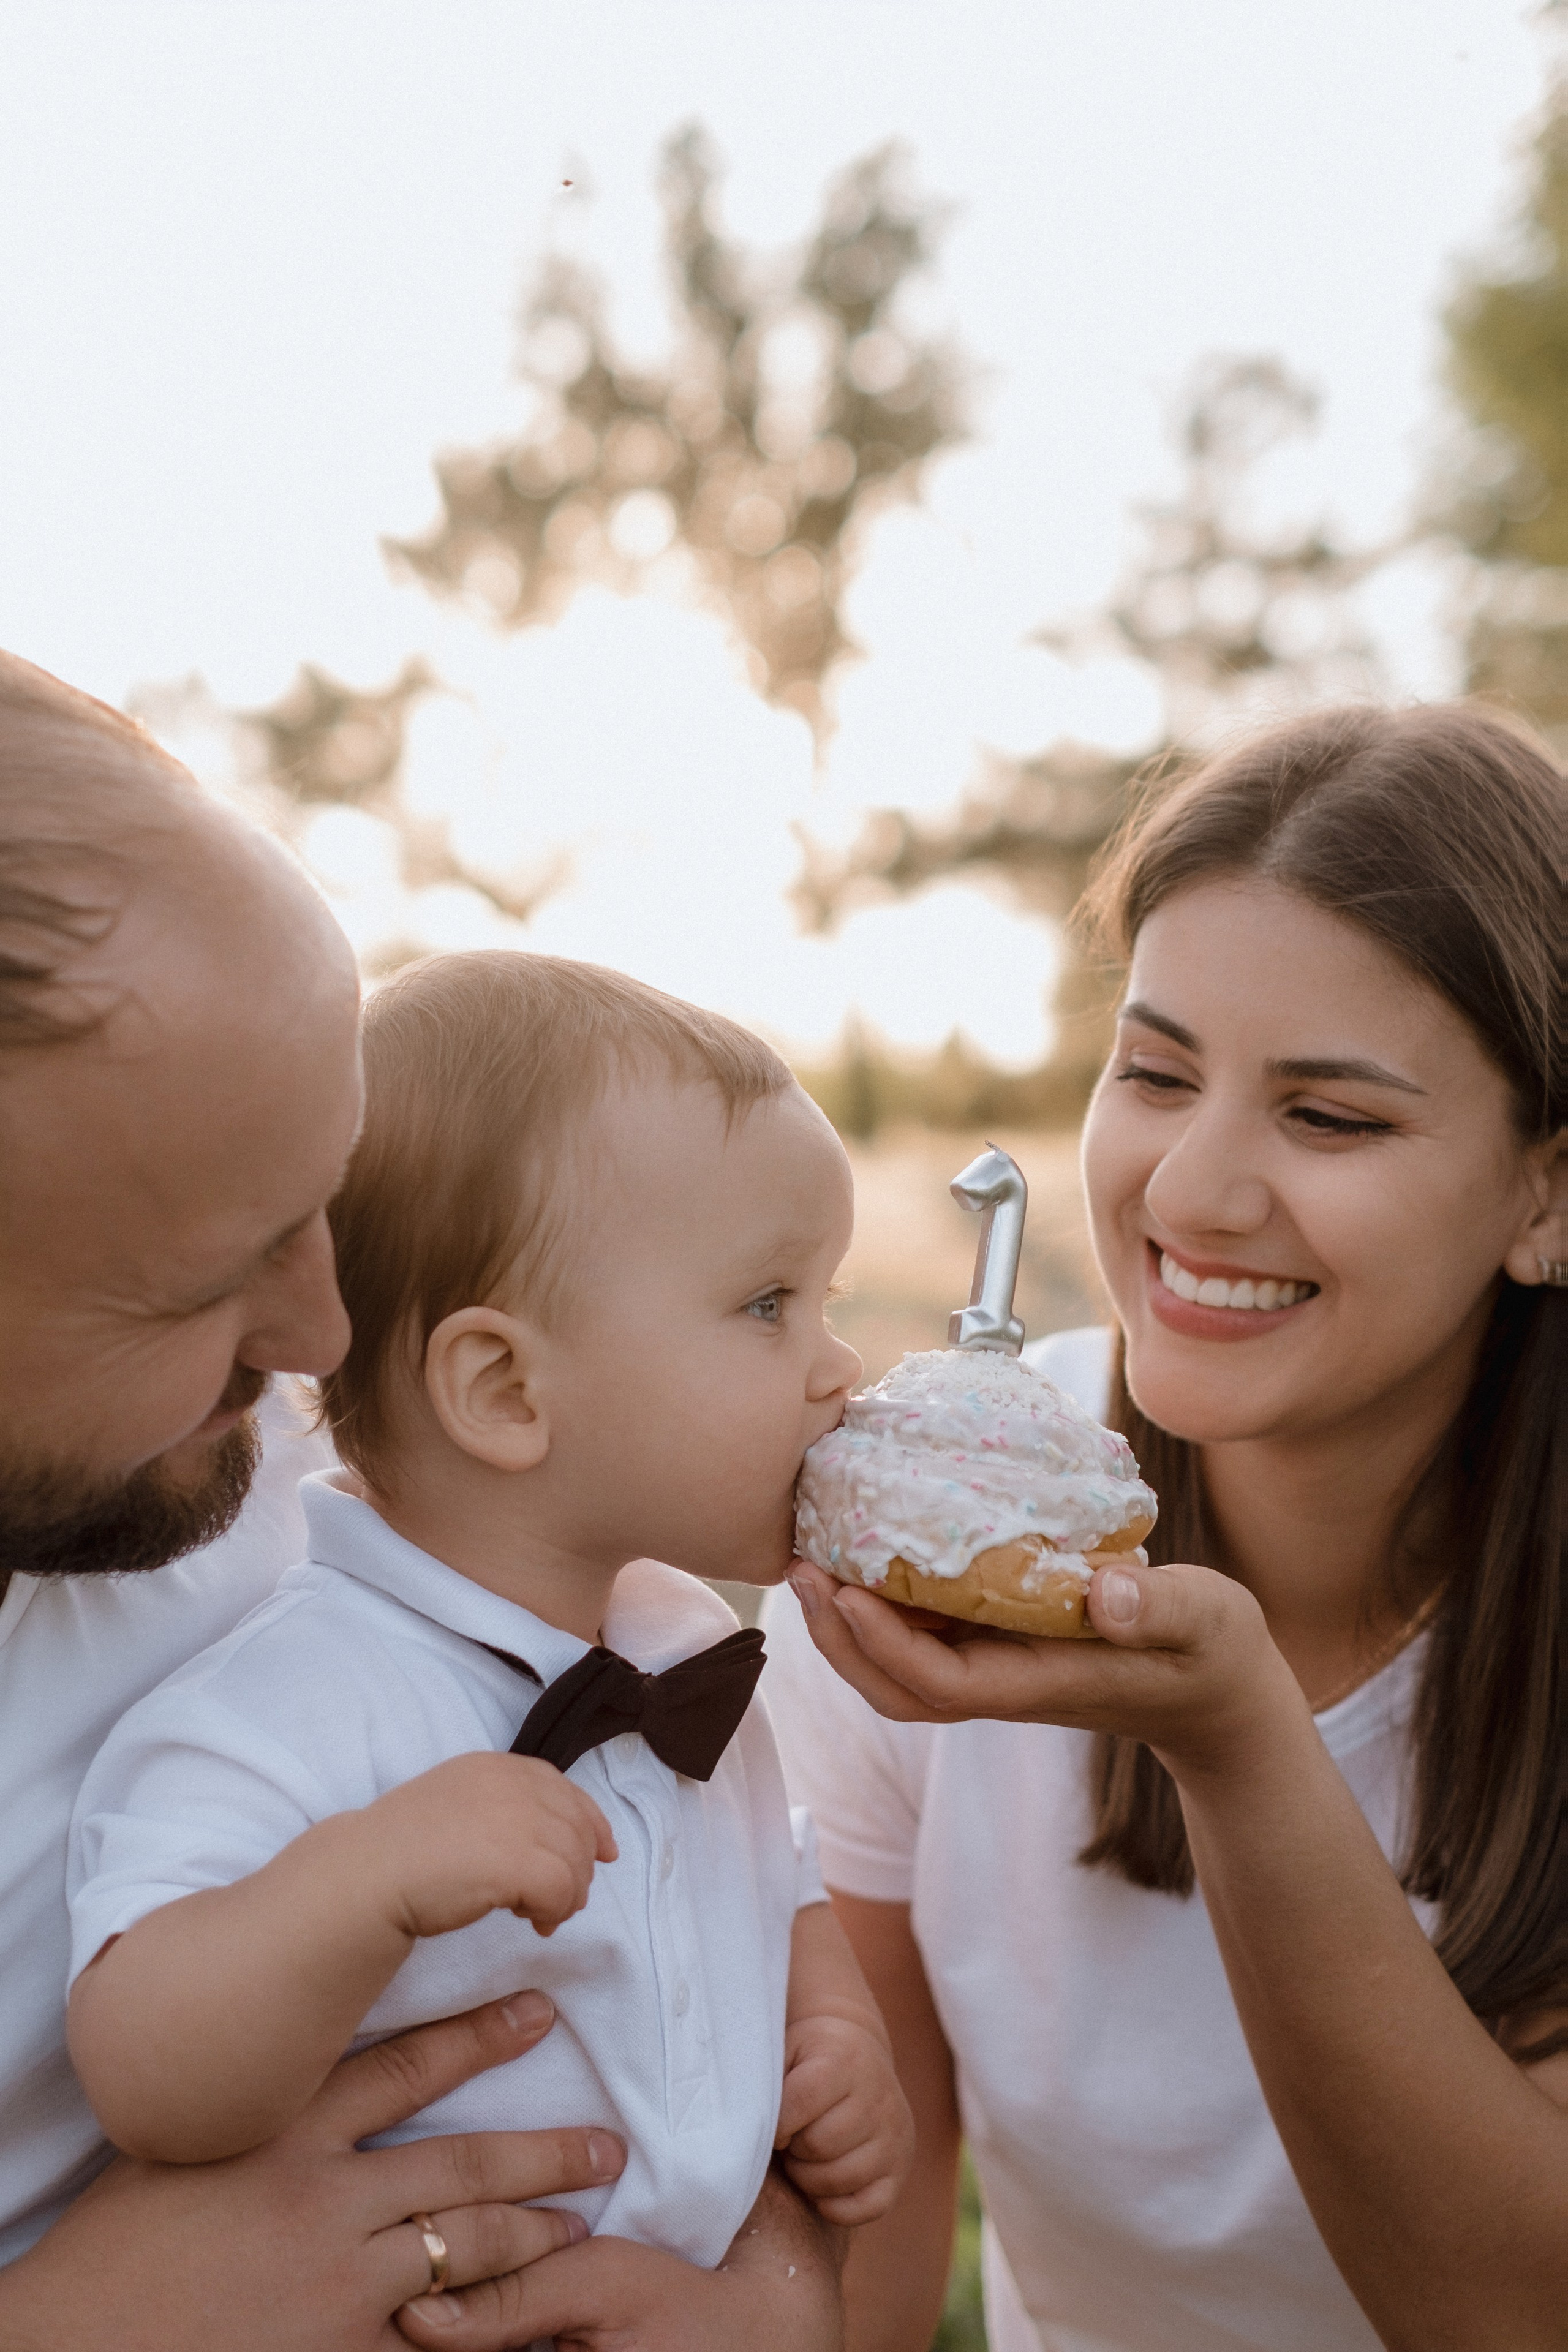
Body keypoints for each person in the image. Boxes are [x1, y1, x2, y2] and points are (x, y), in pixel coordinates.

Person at [0, 652, 843, 2351]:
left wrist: (772, 2282)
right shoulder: (272, 1679)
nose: (324, 1342)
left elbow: (717, 1944)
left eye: (324, 1203)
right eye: (209, 1278)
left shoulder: (272, 1493)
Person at [765, 703, 1567, 2352]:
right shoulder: (928, 1516)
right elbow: (870, 2200)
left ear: (1545, 1194)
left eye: (1329, 1116)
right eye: (1156, 1072)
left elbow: (1513, 2310)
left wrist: (1237, 1742)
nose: (1191, 1193)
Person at [63, 952, 912, 2268]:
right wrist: (360, 1885)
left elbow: (774, 1871)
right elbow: (144, 2071)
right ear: (507, 1392)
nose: (838, 1364)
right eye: (766, 1304)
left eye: (826, 1301)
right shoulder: (285, 1706)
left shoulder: (681, 1645)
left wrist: (833, 2027)